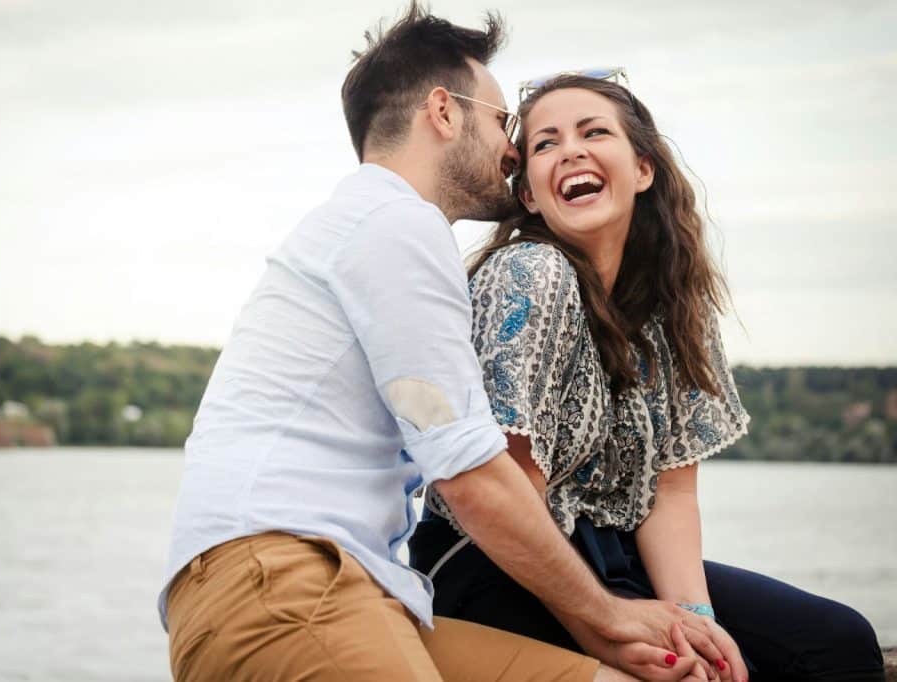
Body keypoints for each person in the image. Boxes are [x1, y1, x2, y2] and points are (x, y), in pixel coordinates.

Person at [158, 5, 738, 681]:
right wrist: (608, 618)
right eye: (501, 122)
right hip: (283, 582)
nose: (512, 152)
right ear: (443, 112)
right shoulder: (396, 223)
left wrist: (617, 635)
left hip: (360, 589)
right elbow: (467, 470)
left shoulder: (373, 226)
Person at [408, 72, 886, 682]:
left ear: (642, 169)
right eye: (546, 143)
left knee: (838, 644)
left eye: (593, 132)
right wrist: (608, 631)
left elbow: (672, 492)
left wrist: (696, 619)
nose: (571, 151)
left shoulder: (672, 303)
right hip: (494, 563)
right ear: (528, 194)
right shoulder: (530, 274)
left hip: (611, 556)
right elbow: (512, 487)